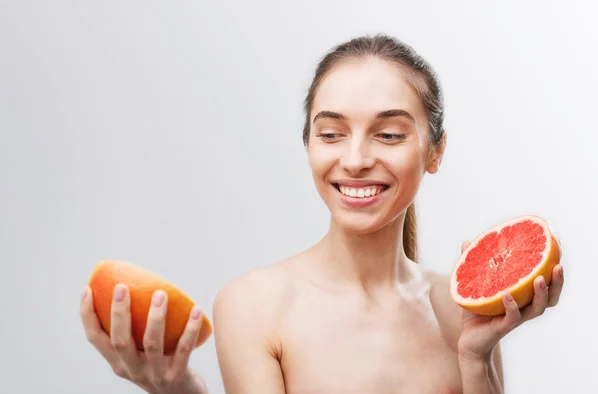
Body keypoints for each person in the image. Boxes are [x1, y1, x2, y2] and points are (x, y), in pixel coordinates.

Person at [79, 34, 564, 394]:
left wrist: (476, 358)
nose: (354, 159)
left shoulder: (461, 312)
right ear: (308, 145)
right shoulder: (253, 305)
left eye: (389, 135)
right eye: (331, 134)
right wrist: (181, 390)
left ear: (435, 151)